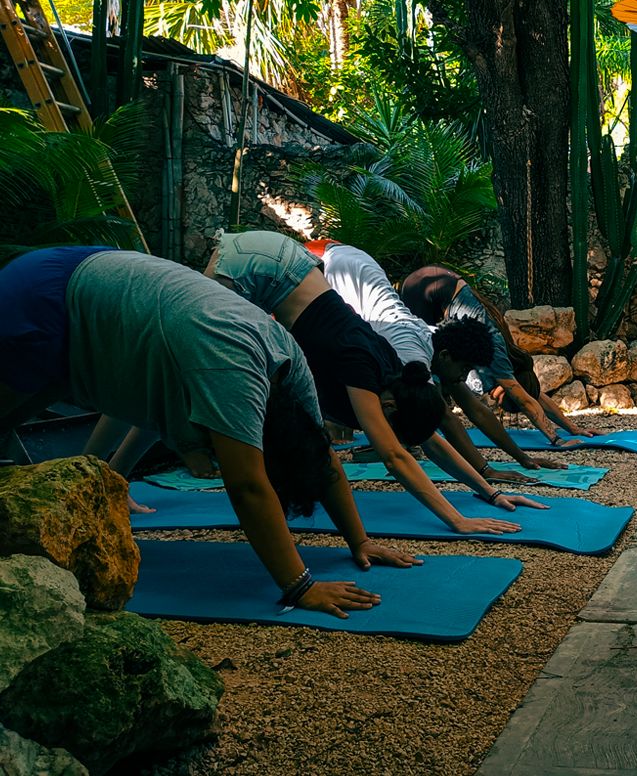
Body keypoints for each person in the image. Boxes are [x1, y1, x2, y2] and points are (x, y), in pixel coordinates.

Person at [0, 246, 418, 618]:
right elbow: (249, 485)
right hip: (40, 297)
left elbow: (322, 460)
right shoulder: (233, 375)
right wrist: (300, 586)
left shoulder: (289, 368)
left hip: (84, 275)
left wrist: (359, 541)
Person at [207, 231, 546, 535]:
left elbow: (430, 440)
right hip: (258, 266)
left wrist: (490, 491)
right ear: (389, 406)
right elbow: (394, 457)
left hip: (286, 263)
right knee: (205, 365)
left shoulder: (398, 377)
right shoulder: (364, 371)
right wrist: (456, 520)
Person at [397, 262, 596, 445]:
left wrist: (574, 429)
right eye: (502, 400)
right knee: (420, 362)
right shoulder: (499, 361)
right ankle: (409, 432)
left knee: (439, 366)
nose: (497, 401)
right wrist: (556, 440)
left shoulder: (510, 367)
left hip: (440, 283)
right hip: (425, 287)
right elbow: (524, 400)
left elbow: (534, 396)